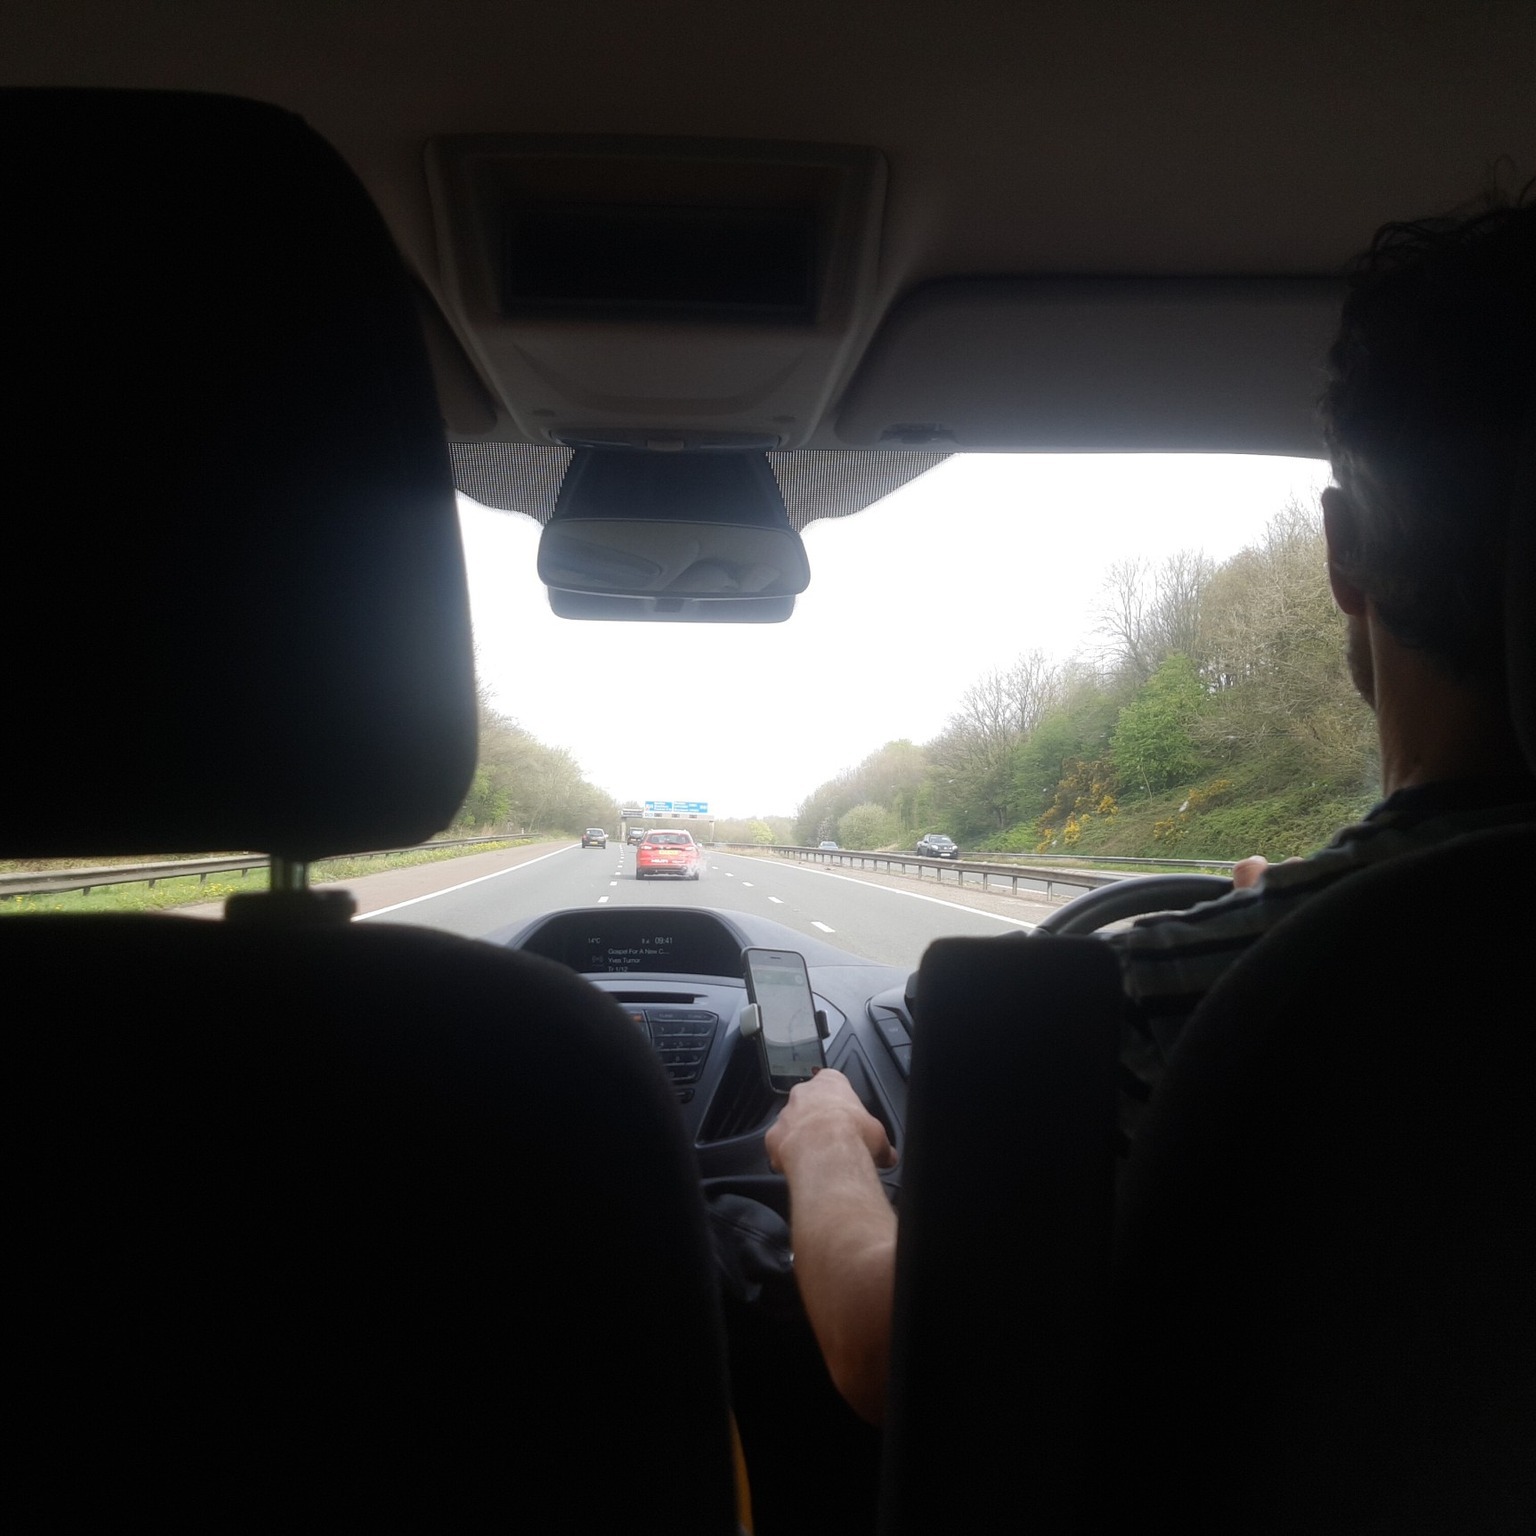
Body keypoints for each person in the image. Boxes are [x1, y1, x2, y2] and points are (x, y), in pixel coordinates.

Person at [765, 193, 1536, 1426]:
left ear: (1342, 550)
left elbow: (899, 1354)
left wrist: (823, 1144)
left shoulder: (1197, 994)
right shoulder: (1295, 963)